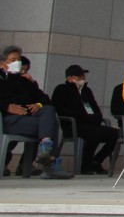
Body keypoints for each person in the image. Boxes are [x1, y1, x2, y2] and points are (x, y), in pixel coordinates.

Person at [0, 45, 72, 179]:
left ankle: (45, 148)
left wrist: (38, 104)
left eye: (19, 59)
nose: (17, 62)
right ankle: (50, 164)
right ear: (2, 64)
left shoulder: (25, 81)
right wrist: (7, 106)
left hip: (30, 117)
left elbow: (46, 99)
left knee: (48, 110)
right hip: (10, 120)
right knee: (51, 124)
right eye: (13, 60)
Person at [50, 64, 120, 175]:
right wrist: (84, 117)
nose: (82, 79)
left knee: (116, 134)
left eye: (83, 76)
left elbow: (95, 109)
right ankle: (85, 165)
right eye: (79, 77)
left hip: (91, 124)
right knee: (94, 134)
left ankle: (96, 161)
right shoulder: (62, 89)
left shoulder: (86, 91)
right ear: (70, 78)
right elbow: (60, 109)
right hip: (73, 125)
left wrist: (96, 119)